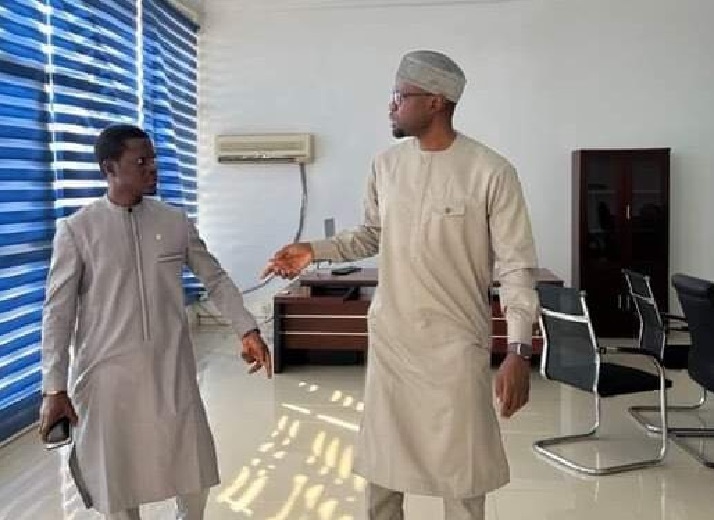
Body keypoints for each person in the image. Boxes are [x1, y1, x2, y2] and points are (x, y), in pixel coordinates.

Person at [262, 50, 538, 520]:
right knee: (383, 473)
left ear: (435, 101)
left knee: (463, 475)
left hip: (456, 348)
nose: (390, 106)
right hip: (393, 345)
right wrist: (314, 249)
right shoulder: (385, 166)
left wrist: (518, 350)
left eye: (399, 96)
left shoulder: (491, 171)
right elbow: (370, 235)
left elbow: (516, 268)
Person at [39, 124, 272, 520]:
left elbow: (214, 278)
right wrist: (54, 388)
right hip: (107, 377)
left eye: (153, 159)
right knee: (118, 482)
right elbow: (58, 313)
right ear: (109, 168)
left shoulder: (173, 221)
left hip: (170, 369)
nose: (152, 168)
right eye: (141, 161)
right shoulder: (78, 230)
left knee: (193, 472)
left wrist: (247, 328)